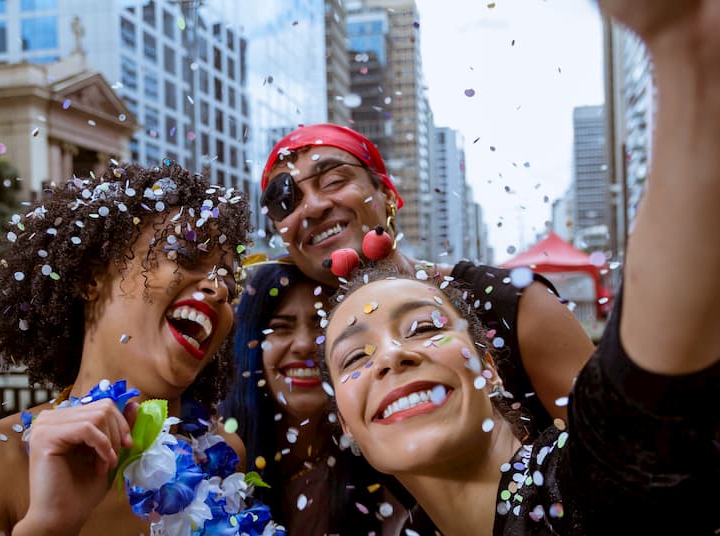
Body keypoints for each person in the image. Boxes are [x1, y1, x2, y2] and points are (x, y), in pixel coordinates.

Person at [322, 1, 720, 534]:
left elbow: (640, 400)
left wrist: (685, 51)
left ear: (488, 366)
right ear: (346, 425)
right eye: (353, 357)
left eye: (424, 327)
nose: (392, 356)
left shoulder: (586, 484)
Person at [0, 162, 265, 535]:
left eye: (230, 286)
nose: (219, 289)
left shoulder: (224, 455)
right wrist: (48, 525)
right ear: (91, 279)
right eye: (186, 257)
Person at [260, 122, 593, 439]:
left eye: (333, 181)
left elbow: (619, 455)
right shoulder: (303, 343)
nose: (313, 207)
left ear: (387, 193)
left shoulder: (513, 302)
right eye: (285, 201)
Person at [224, 261, 403, 534]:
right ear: (250, 344)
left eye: (321, 325)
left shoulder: (392, 465)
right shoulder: (208, 452)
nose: (305, 344)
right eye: (281, 327)